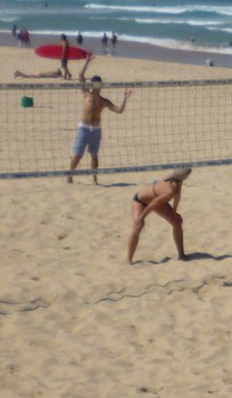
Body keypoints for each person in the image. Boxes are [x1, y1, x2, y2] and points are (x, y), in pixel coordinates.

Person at [67, 55, 131, 184]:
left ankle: (95, 179)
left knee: (94, 156)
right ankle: (70, 175)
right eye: (96, 84)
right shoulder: (86, 93)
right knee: (78, 155)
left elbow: (119, 110)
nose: (98, 86)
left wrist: (125, 98)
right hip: (83, 128)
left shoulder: (103, 101)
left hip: (96, 130)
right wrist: (86, 62)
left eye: (100, 84)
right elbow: (80, 76)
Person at [127, 168, 191, 264]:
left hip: (157, 201)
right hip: (140, 201)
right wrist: (141, 217)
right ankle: (128, 260)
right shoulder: (170, 190)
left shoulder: (176, 181)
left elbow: (177, 197)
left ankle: (181, 255)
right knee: (138, 226)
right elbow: (153, 203)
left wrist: (174, 212)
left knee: (177, 221)